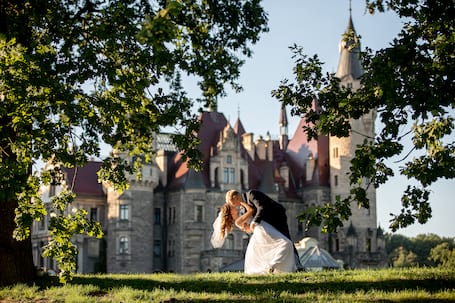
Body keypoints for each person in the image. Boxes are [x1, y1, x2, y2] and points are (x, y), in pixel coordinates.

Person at [211, 200, 296, 274]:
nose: (235, 206)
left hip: (259, 230)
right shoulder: (238, 221)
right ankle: (272, 265)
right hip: (260, 230)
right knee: (284, 244)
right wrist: (242, 202)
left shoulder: (239, 218)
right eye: (232, 206)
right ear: (231, 211)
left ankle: (273, 266)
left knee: (275, 249)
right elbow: (251, 210)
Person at [225, 189, 302, 269]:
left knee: (285, 238)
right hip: (265, 225)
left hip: (277, 217)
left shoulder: (251, 194)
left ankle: (297, 264)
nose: (235, 206)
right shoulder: (243, 208)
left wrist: (254, 222)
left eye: (234, 203)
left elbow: (261, 207)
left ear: (236, 197)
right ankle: (277, 265)